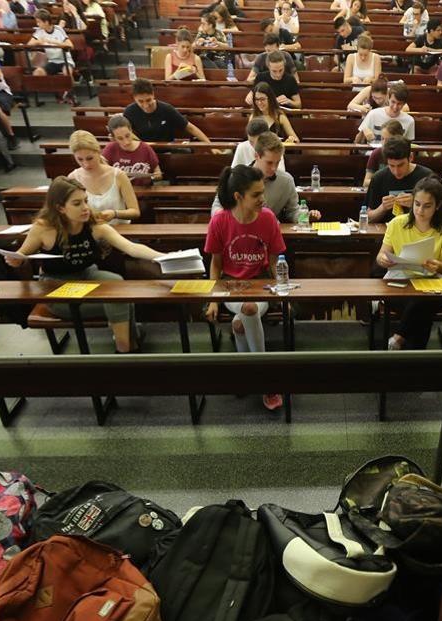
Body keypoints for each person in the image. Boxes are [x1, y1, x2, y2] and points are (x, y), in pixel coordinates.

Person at [9, 177, 167, 354]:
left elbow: (131, 247)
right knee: (121, 301)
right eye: (77, 203)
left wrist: (165, 257)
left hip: (87, 275)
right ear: (60, 208)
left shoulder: (94, 225)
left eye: (86, 201)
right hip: (56, 286)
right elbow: (22, 255)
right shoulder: (43, 228)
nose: (85, 208)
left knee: (119, 285)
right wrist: (17, 259)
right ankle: (126, 349)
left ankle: (126, 346)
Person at [203, 164, 288, 411]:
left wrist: (283, 292)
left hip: (261, 283)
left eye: (263, 192)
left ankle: (245, 372)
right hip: (231, 285)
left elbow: (274, 261)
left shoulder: (268, 218)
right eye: (256, 195)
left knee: (245, 316)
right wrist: (213, 300)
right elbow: (216, 265)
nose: (263, 198)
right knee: (247, 309)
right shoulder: (220, 221)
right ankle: (265, 379)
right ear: (238, 196)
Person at [376, 177, 442, 351]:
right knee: (421, 310)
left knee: (422, 302)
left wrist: (438, 265)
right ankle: (413, 356)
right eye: (417, 204)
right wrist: (383, 259)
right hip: (401, 281)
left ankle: (398, 338)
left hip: (433, 282)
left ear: (438, 206)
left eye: (427, 206)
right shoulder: (397, 223)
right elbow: (381, 255)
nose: (420, 211)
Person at [211, 131, 313, 223]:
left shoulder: (286, 180)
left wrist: (305, 217)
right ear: (256, 156)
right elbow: (217, 207)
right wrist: (230, 221)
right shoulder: (237, 176)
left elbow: (292, 211)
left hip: (269, 232)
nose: (274, 168)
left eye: (277, 162)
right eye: (269, 163)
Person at [67, 130, 140, 224]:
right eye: (80, 159)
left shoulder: (118, 175)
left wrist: (115, 214)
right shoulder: (73, 178)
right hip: (90, 233)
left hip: (120, 232)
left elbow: (135, 211)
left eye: (90, 158)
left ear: (98, 152)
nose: (86, 164)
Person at [123, 79, 214, 144]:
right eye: (140, 101)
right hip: (143, 152)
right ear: (134, 98)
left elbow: (190, 127)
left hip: (167, 150)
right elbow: (124, 132)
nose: (145, 105)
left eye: (148, 100)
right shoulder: (129, 112)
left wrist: (210, 146)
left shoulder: (166, 109)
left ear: (153, 95)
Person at [364, 137, 434, 222]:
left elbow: (438, 213)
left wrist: (417, 204)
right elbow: (367, 218)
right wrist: (382, 208)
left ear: (411, 157)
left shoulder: (427, 177)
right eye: (391, 166)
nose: (396, 171)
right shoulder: (379, 178)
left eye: (400, 165)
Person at [103, 115, 162, 186]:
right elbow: (102, 172)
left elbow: (158, 172)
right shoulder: (110, 148)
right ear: (114, 138)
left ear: (131, 130)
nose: (126, 142)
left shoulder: (145, 148)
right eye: (120, 138)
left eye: (127, 136)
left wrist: (155, 176)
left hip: (143, 192)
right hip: (119, 193)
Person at [28, 9, 75, 78]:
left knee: (66, 72)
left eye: (39, 22)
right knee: (37, 72)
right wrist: (38, 41)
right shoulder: (39, 31)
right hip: (52, 61)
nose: (37, 24)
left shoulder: (58, 29)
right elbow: (29, 44)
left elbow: (70, 45)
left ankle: (70, 88)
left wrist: (52, 42)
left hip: (65, 60)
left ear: (46, 22)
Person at [362, 119, 404, 187]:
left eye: (389, 140)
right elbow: (366, 182)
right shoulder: (377, 153)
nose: (384, 143)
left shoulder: (407, 152)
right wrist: (384, 181)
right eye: (382, 139)